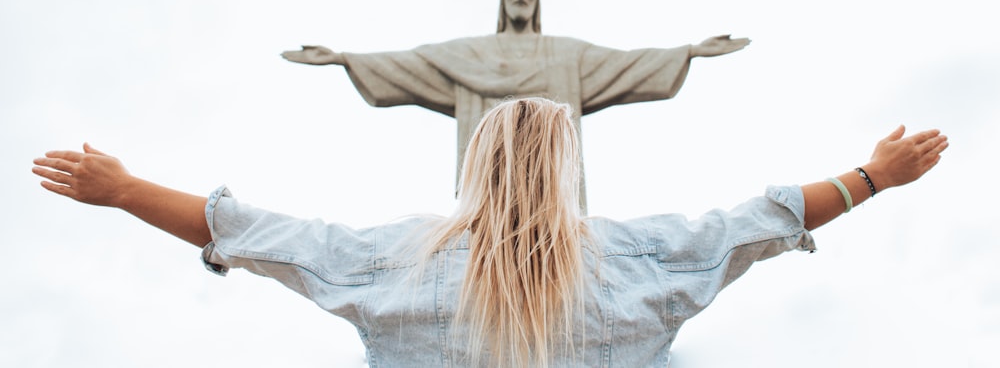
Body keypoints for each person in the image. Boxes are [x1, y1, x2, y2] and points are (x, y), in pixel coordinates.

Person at [32, 97, 947, 367]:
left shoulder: (397, 262)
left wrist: (120, 190)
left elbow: (250, 230)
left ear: (476, 165)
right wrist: (873, 175)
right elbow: (763, 219)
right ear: (568, 169)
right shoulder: (636, 263)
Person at [281, 0, 750, 212]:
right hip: (491, 180)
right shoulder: (470, 53)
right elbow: (413, 63)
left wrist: (688, 51)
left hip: (554, 180)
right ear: (503, 0)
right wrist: (345, 58)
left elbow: (626, 64)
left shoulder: (567, 54)